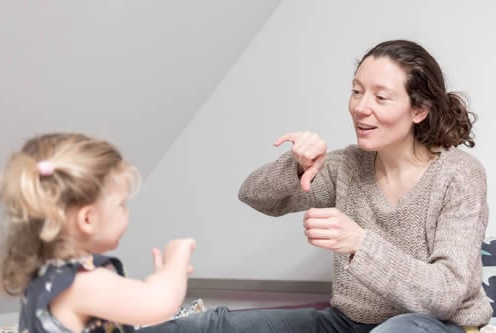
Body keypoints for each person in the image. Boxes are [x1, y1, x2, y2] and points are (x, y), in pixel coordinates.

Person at [154, 39, 492, 333]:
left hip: (432, 326)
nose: (361, 108)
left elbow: (447, 294)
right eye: (357, 91)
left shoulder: (457, 175)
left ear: (418, 110)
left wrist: (359, 243)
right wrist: (297, 164)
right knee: (215, 327)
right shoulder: (348, 165)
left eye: (381, 97)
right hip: (346, 323)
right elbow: (255, 195)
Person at [0, 133, 196, 333]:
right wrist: (176, 259)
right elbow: (158, 303)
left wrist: (162, 278)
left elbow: (136, 310)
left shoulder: (46, 277)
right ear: (88, 219)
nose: (127, 212)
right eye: (122, 205)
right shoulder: (81, 284)